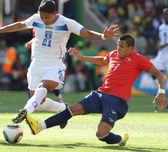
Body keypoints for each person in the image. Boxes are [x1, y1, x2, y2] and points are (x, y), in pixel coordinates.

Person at [0, 0, 119, 125]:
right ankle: (63, 108)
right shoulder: (36, 18)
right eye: (42, 17)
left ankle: (25, 112)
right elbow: (20, 25)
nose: (45, 20)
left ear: (55, 13)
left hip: (55, 65)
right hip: (36, 65)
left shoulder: (67, 23)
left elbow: (86, 33)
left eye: (48, 17)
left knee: (42, 88)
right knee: (38, 101)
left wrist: (103, 36)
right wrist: (0, 30)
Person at [25, 34, 167, 146]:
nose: (118, 49)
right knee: (72, 109)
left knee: (101, 134)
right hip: (100, 94)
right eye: (117, 46)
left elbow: (158, 74)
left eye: (122, 47)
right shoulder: (113, 54)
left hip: (117, 101)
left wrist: (161, 93)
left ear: (131, 49)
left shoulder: (138, 59)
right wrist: (81, 57)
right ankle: (40, 127)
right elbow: (102, 60)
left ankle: (119, 140)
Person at [153, 8, 168, 79]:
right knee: (154, 74)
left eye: (167, 14)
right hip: (161, 53)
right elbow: (161, 39)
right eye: (165, 14)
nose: (166, 16)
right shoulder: (161, 27)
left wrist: (165, 45)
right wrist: (158, 45)